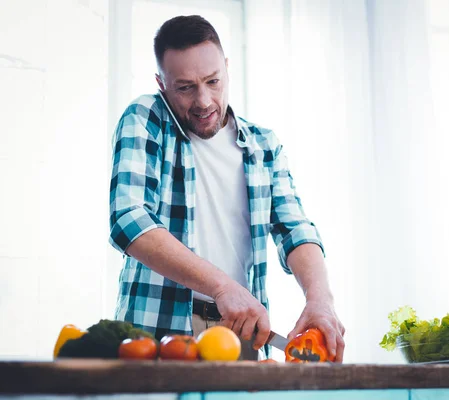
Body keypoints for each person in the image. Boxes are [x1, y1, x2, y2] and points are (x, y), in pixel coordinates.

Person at [108, 15, 345, 361]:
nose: (204, 101)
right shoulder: (145, 118)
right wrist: (222, 286)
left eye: (213, 81)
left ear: (227, 69)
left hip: (242, 335)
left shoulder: (264, 145)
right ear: (161, 83)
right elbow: (129, 220)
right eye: (185, 87)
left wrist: (320, 299)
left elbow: (295, 229)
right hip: (158, 335)